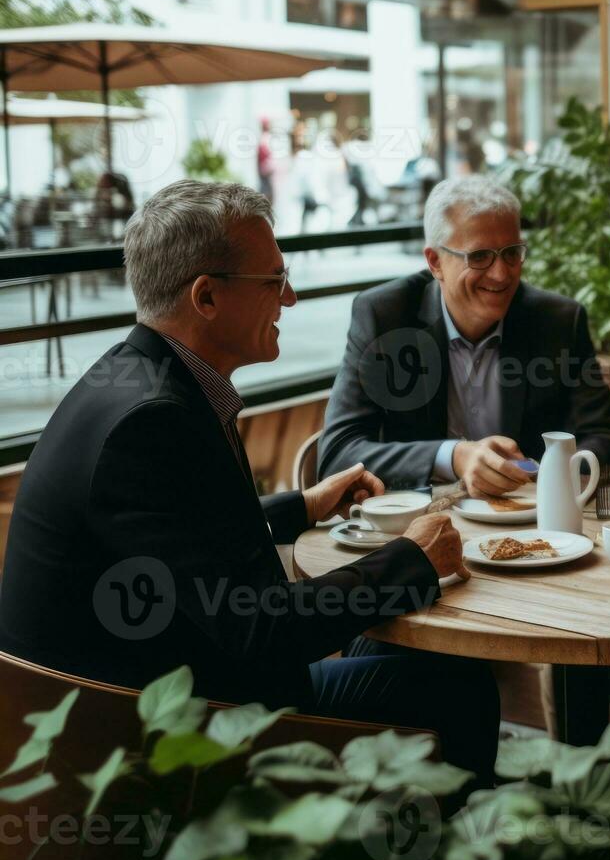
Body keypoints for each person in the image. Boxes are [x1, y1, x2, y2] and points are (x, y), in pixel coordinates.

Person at [0, 181, 500, 784]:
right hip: (155, 748)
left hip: (146, 696)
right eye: (273, 280)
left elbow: (181, 537)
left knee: (400, 646)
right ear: (205, 297)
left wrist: (300, 507)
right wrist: (410, 559)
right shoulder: (154, 423)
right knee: (459, 679)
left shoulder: (135, 377)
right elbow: (262, 629)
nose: (290, 297)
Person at [318, 175, 610, 493]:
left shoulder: (557, 322)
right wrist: (452, 457)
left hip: (531, 527)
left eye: (511, 253)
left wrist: (545, 475)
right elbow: (337, 455)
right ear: (435, 261)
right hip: (420, 527)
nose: (501, 274)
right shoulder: (385, 317)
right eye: (479, 256)